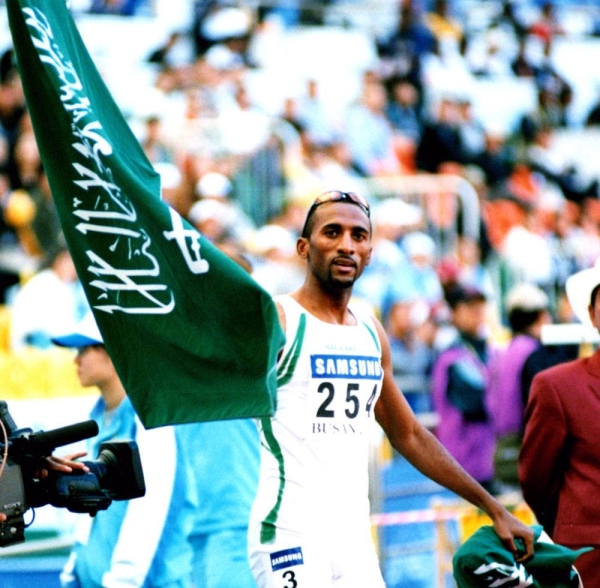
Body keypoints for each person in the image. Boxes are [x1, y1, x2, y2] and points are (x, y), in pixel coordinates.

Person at [248, 190, 534, 587]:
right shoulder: (279, 318)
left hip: (352, 539)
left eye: (359, 235)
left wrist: (491, 507)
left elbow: (411, 435)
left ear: (370, 252)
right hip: (290, 531)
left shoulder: (370, 331)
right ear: (303, 247)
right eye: (332, 232)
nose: (347, 244)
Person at [52, 312, 194, 588]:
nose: (76, 359)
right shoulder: (97, 418)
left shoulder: (150, 418)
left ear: (114, 350)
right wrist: (74, 568)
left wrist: (122, 581)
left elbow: (151, 510)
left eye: (85, 348)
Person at [519, 257, 600, 586]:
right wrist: (573, 526)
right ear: (593, 316)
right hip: (589, 560)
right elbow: (536, 479)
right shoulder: (557, 385)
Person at [430, 282, 498, 494]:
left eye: (480, 306)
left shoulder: (490, 350)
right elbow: (478, 402)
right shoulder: (453, 357)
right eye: (469, 307)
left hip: (488, 461)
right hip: (464, 464)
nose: (477, 312)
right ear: (455, 313)